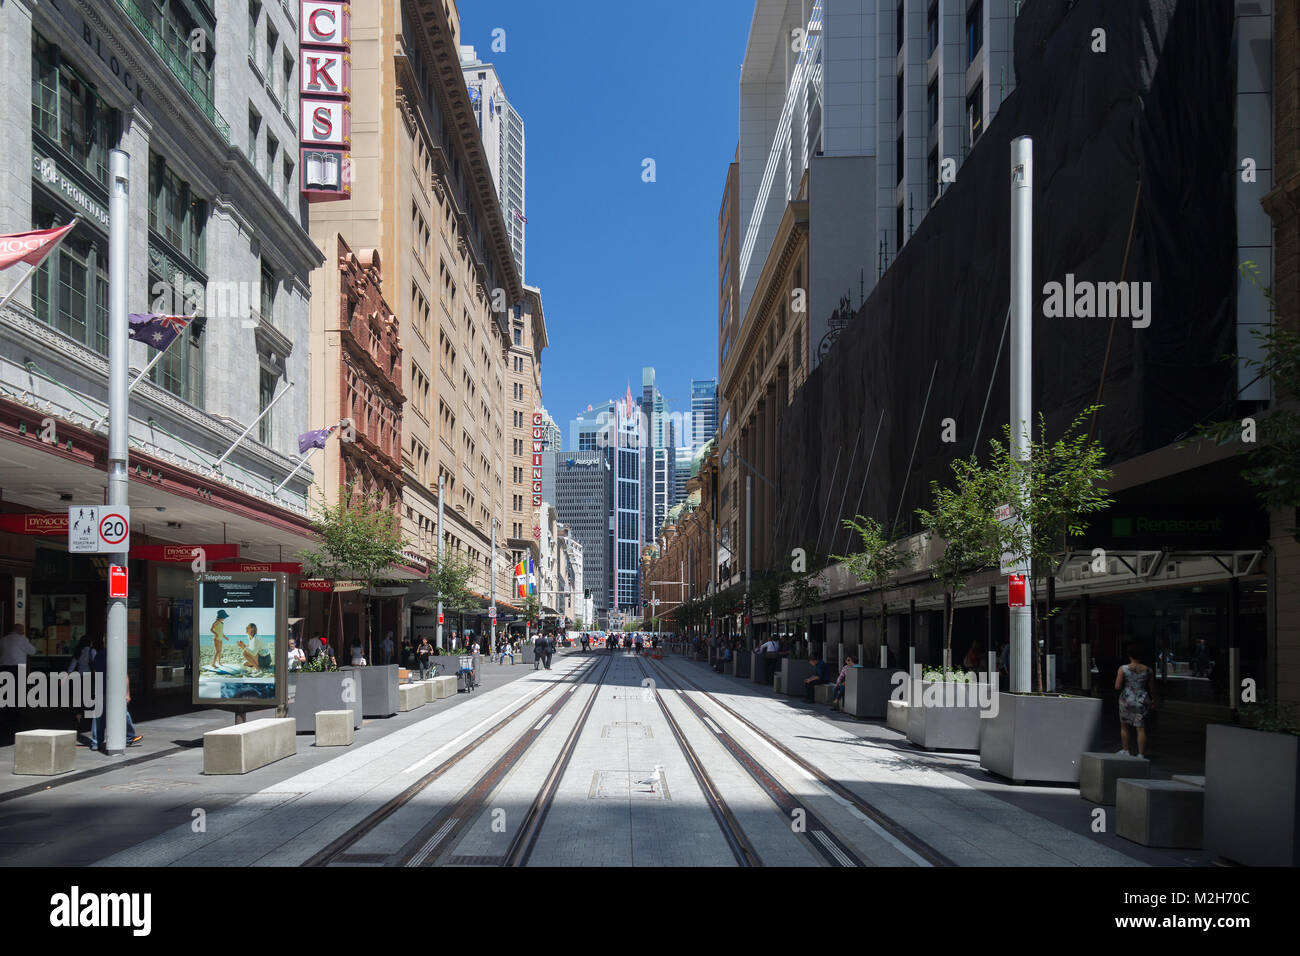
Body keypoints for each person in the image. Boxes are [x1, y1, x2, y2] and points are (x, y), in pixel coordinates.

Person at [86, 640, 142, 750]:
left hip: (101, 688)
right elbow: (125, 676)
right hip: (115, 691)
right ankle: (129, 737)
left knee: (98, 716)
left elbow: (95, 671)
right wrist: (127, 694)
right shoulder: (118, 655)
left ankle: (96, 742)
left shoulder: (99, 655)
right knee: (123, 713)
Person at [1116, 644, 1155, 758]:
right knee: (1140, 728)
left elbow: (1117, 686)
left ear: (1129, 655)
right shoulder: (1148, 670)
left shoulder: (1123, 668)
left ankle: (1125, 750)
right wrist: (1154, 700)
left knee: (1124, 726)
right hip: (1141, 699)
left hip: (1126, 699)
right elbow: (1152, 687)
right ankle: (1141, 754)